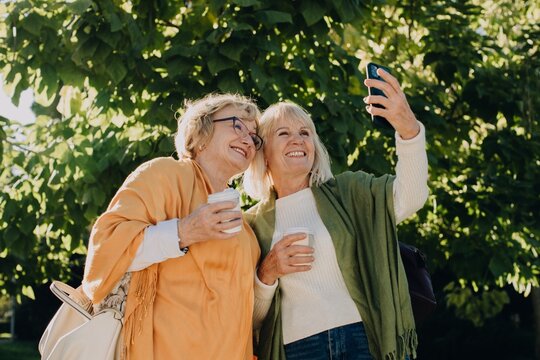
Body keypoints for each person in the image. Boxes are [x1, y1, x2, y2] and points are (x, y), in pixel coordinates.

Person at [243, 69, 429, 360]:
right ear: (263, 154)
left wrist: (408, 131)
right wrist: (267, 273)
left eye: (305, 133)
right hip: (297, 349)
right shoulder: (250, 224)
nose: (297, 140)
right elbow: (250, 321)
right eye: (284, 133)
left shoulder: (348, 192)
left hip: (362, 337)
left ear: (315, 148)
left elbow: (412, 197)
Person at [81, 93, 263, 359]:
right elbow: (106, 248)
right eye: (237, 125)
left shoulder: (245, 230)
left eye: (254, 137)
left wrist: (269, 275)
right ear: (202, 131)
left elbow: (249, 316)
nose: (248, 140)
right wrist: (183, 232)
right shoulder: (163, 175)